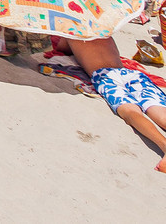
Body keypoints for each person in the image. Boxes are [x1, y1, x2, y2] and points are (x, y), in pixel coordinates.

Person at [66, 35, 166, 172]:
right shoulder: (106, 33)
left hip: (105, 76)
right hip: (129, 73)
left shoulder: (71, 35)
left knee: (130, 112)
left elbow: (63, 49)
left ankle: (164, 145)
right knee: (158, 110)